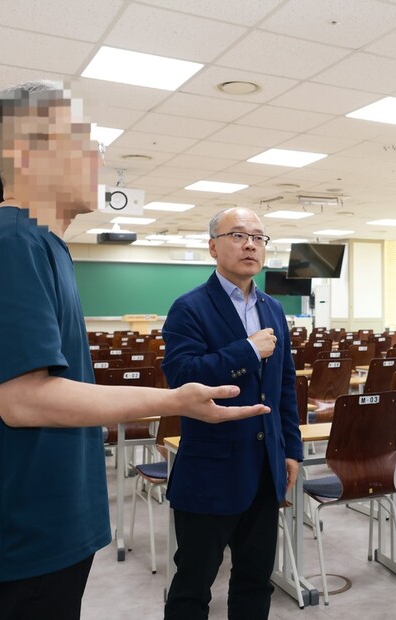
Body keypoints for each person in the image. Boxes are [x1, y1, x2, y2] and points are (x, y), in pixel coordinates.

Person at [0, 81, 268, 620]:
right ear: (28, 153)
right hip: (20, 534)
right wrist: (174, 400)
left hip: (46, 524)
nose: (99, 157)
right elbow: (25, 400)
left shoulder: (41, 243)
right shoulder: (12, 245)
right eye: (84, 142)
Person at [162, 207, 303, 619]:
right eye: (238, 235)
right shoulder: (189, 308)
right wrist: (246, 351)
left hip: (264, 470)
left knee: (255, 582)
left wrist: (290, 449)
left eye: (259, 237)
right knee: (192, 586)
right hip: (211, 471)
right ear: (212, 247)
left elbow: (285, 386)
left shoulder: (273, 309)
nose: (250, 245)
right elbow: (181, 377)